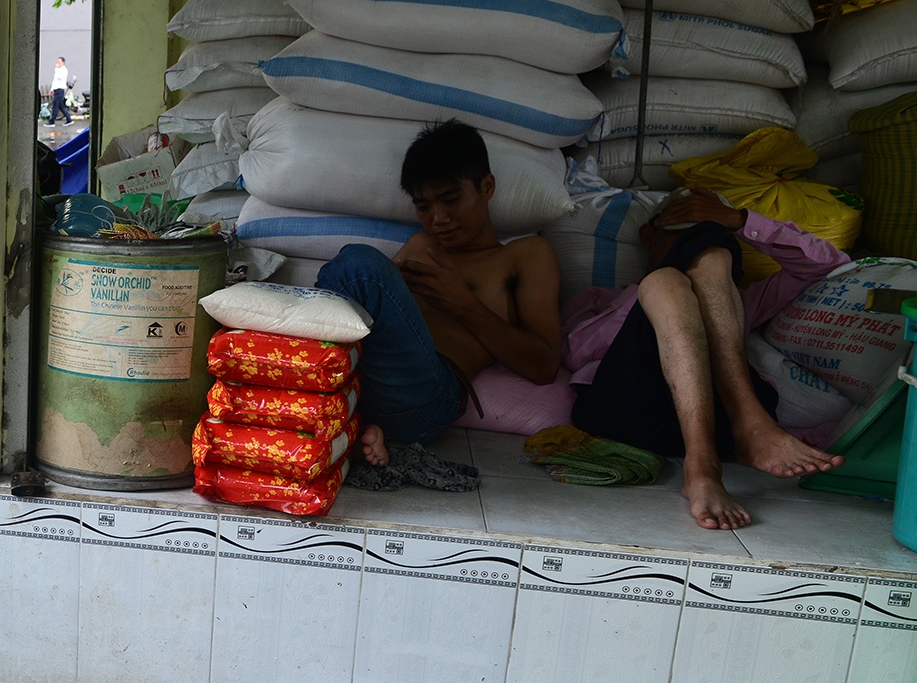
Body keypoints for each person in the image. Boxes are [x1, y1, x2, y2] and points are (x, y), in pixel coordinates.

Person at [567, 189, 843, 530]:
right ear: (648, 235)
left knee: (704, 253)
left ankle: (732, 442)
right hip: (627, 412)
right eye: (682, 232)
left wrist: (741, 222)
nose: (690, 244)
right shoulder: (598, 299)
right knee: (664, 281)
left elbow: (829, 265)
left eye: (713, 232)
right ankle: (718, 453)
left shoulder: (738, 302)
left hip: (720, 423)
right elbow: (566, 356)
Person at [315, 120, 563, 488]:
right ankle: (352, 425)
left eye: (451, 199)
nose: (439, 218)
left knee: (361, 268)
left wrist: (462, 302)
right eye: (424, 206)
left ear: (487, 187)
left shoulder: (525, 255)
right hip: (364, 383)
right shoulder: (420, 247)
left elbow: (544, 367)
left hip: (430, 395)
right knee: (356, 282)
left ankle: (342, 411)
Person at [49, 58, 72, 126]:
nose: (57, 63)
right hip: (56, 89)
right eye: (57, 61)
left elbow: (59, 77)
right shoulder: (58, 70)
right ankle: (69, 119)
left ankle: (52, 121)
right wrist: (52, 89)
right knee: (61, 106)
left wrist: (56, 69)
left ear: (63, 62)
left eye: (59, 62)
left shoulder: (64, 70)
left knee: (55, 105)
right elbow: (55, 80)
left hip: (60, 89)